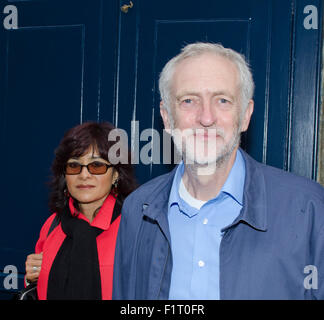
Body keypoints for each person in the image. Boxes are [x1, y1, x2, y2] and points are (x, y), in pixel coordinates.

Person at [112, 42, 324, 300]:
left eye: (222, 100)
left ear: (245, 115)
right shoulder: (138, 209)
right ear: (167, 117)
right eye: (189, 101)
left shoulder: (311, 209)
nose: (206, 117)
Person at [25, 121, 137, 300]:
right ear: (65, 174)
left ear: (116, 174)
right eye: (74, 166)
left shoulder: (132, 229)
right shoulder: (53, 225)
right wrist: (32, 277)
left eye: (97, 166)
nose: (84, 175)